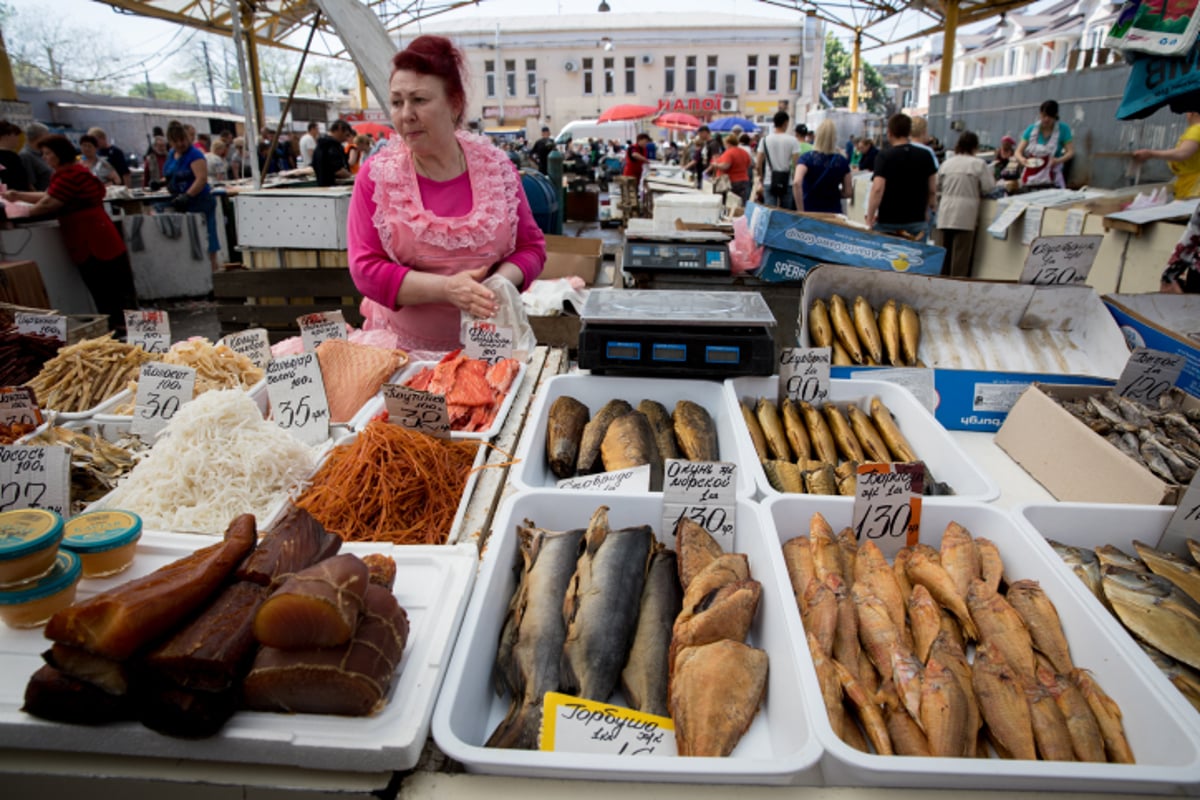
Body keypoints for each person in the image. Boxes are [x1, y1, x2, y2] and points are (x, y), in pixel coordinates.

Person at [346, 35, 546, 358]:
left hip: (490, 352)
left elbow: (531, 248)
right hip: (404, 356)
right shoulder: (376, 177)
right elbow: (365, 268)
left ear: (454, 104)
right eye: (397, 102)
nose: (406, 114)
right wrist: (448, 289)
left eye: (419, 100)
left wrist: (497, 285)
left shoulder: (497, 169)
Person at [2, 134, 136, 330]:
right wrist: (18, 196)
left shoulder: (70, 175)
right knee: (109, 286)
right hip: (95, 234)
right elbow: (50, 195)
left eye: (48, 153)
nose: (45, 157)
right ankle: (119, 326)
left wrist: (19, 211)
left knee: (106, 286)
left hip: (92, 238)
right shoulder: (70, 173)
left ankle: (120, 327)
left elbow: (50, 202)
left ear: (59, 154)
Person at [865, 113, 938, 238]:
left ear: (890, 132)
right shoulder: (925, 155)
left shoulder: (884, 156)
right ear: (909, 131)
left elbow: (877, 189)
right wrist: (928, 209)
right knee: (916, 257)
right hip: (917, 222)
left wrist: (870, 217)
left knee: (886, 256)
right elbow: (932, 189)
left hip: (888, 221)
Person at [935, 131, 995, 278]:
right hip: (965, 216)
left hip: (945, 214)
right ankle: (956, 289)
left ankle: (940, 285)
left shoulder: (947, 163)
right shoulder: (978, 164)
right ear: (975, 147)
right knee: (960, 259)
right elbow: (989, 187)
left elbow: (937, 186)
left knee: (943, 256)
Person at [163, 119, 220, 273]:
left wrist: (187, 195)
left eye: (183, 140)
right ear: (170, 142)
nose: (181, 144)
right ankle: (193, 273)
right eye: (176, 141)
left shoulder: (195, 154)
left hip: (200, 201)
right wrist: (161, 182)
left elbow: (201, 179)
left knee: (206, 238)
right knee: (187, 240)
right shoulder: (171, 155)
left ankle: (212, 272)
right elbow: (171, 175)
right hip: (182, 203)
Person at [1132, 107, 1200, 199]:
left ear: (1192, 113)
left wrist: (1151, 154)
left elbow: (1183, 153)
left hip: (1194, 187)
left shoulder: (1196, 129)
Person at [792, 119, 851, 214]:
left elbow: (796, 183)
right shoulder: (842, 161)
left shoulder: (806, 159)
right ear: (834, 138)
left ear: (817, 136)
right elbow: (848, 192)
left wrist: (800, 210)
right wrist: (832, 193)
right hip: (833, 212)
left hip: (810, 211)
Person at [1016, 100, 1074, 188]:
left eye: (1050, 116)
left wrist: (1058, 160)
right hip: (1031, 173)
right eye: (1044, 116)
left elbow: (1070, 152)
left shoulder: (1063, 129)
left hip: (1052, 174)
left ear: (1056, 115)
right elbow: (1017, 152)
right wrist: (1022, 159)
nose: (1046, 119)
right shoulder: (1031, 129)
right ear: (1040, 114)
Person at [756, 111, 801, 208]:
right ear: (786, 123)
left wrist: (761, 178)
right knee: (786, 214)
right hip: (787, 181)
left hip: (769, 181)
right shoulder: (793, 140)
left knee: (769, 213)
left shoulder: (764, 140)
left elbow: (758, 163)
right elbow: (796, 163)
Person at [709, 132, 752, 207]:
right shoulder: (744, 152)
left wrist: (716, 165)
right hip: (744, 180)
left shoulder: (729, 153)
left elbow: (726, 166)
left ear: (728, 143)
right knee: (741, 203)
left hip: (731, 182)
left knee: (730, 203)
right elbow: (749, 164)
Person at [312, 119, 353, 186]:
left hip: (322, 184)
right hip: (334, 185)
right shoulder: (332, 146)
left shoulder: (320, 145)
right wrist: (352, 176)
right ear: (339, 130)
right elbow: (338, 170)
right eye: (346, 135)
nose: (346, 139)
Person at [20, 122, 52, 191]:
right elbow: (29, 185)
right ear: (38, 137)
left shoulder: (41, 154)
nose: (49, 138)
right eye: (47, 135)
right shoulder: (26, 156)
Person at [0, 121, 31, 191]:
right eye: (16, 135)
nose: (18, 139)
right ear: (6, 136)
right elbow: (21, 183)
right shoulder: (12, 158)